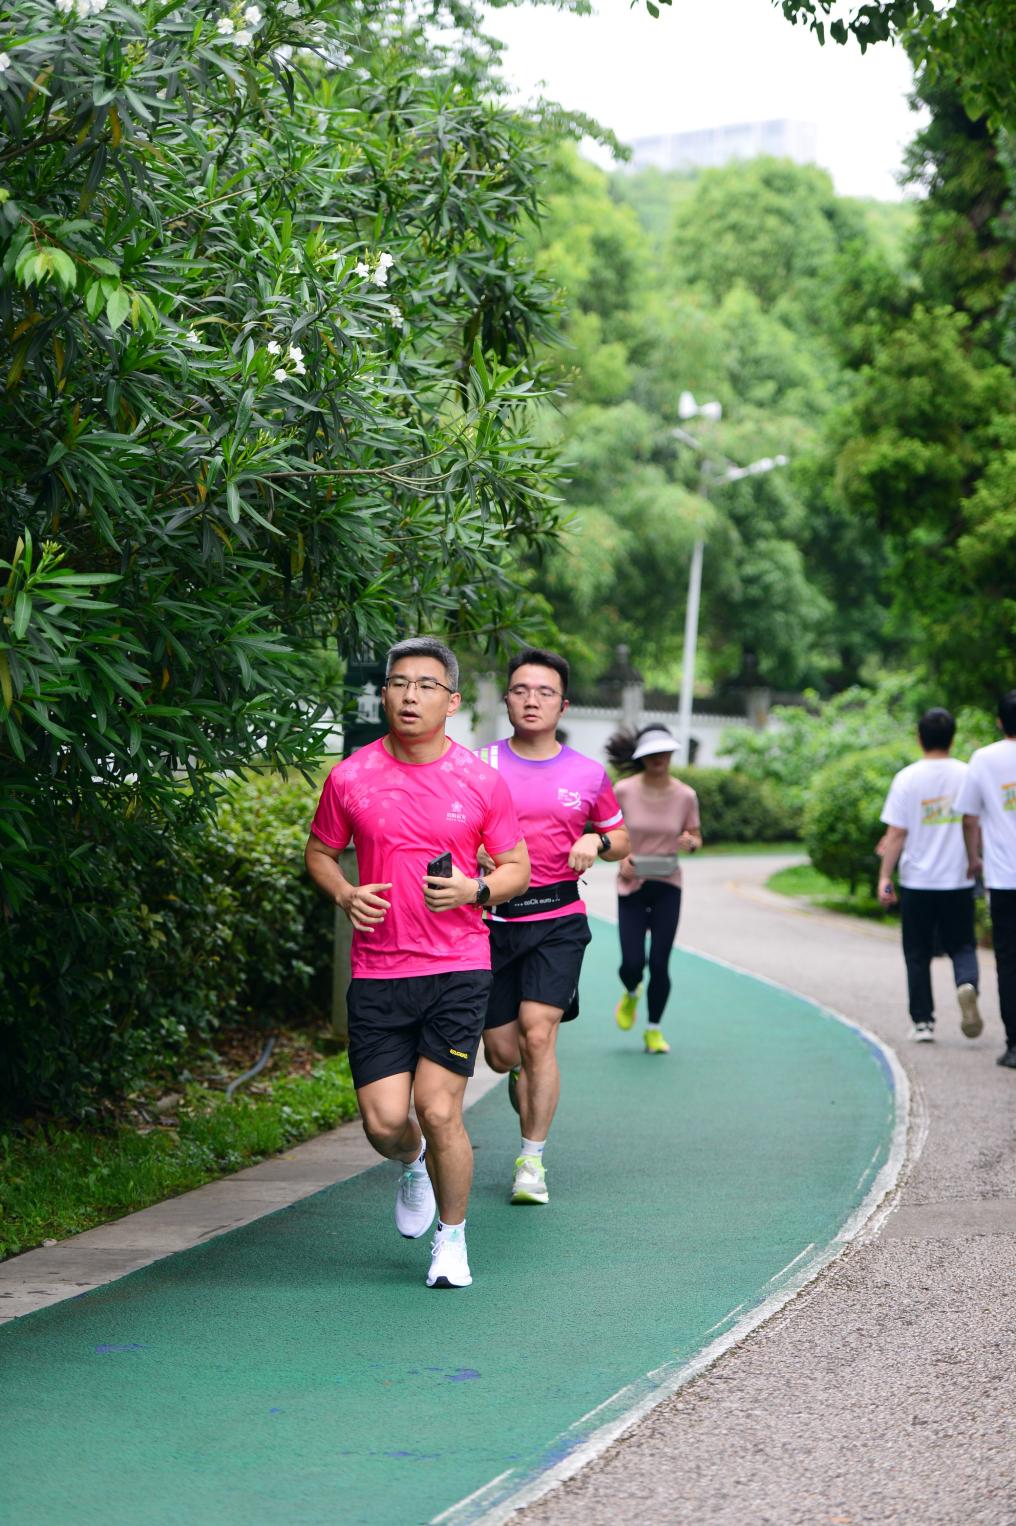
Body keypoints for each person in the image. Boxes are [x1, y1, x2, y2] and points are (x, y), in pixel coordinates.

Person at [304, 637, 530, 1289]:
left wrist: (475, 890)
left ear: (451, 701)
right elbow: (319, 852)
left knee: (438, 1108)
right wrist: (345, 892)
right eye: (399, 683)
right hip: (377, 973)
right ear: (384, 695)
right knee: (384, 1124)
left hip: (457, 968)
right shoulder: (351, 776)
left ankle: (452, 1241)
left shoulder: (480, 780)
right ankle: (410, 1164)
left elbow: (515, 867)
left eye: (426, 685)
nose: (410, 695)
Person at [477, 648, 629, 1207]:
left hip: (558, 919)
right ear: (508, 699)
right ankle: (525, 1085)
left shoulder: (588, 774)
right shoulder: (478, 765)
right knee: (501, 1054)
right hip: (490, 920)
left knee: (539, 1034)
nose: (531, 700)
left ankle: (531, 1161)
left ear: (563, 705)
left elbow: (623, 840)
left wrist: (597, 840)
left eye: (544, 692)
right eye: (520, 690)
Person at [877, 708, 982, 1044]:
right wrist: (973, 859)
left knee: (917, 952)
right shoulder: (967, 774)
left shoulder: (907, 778)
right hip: (958, 879)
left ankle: (923, 1022)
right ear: (953, 738)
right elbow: (971, 822)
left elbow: (896, 834)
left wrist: (884, 877)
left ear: (919, 737)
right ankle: (966, 984)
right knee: (963, 945)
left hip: (918, 881)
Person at [606, 725, 701, 1054]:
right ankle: (632, 993)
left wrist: (690, 842)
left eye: (664, 752)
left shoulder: (686, 795)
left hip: (668, 885)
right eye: (652, 753)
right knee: (632, 963)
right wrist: (620, 859)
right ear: (641, 757)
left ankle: (653, 1030)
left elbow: (695, 836)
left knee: (659, 962)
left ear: (672, 754)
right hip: (631, 884)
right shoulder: (623, 790)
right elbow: (610, 837)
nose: (659, 758)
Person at [956, 689, 1016, 1070]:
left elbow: (969, 817)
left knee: (1008, 962)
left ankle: (1014, 1045)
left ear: (998, 721)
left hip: (1005, 878)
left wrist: (973, 857)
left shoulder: (984, 759)